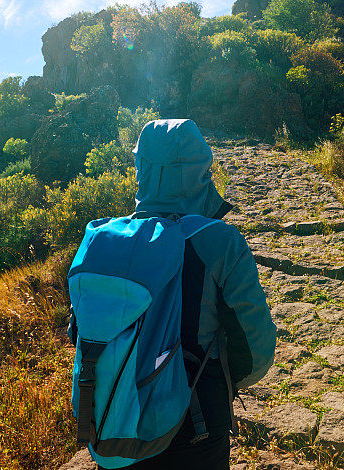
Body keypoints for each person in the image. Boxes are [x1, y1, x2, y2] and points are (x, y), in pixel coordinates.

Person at [125, 119, 276, 470]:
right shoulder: (220, 241)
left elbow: (80, 332)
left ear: (141, 168)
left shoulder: (107, 238)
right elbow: (257, 348)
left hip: (118, 418)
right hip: (197, 423)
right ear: (200, 171)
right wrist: (220, 381)